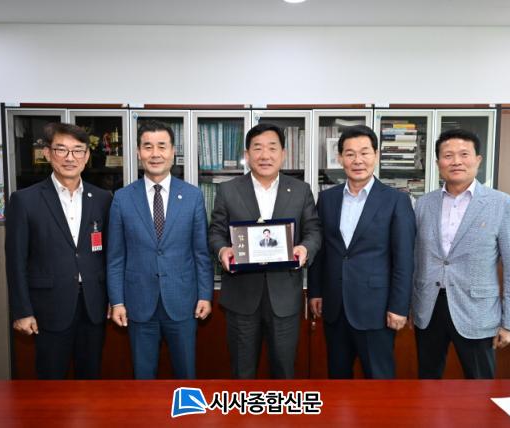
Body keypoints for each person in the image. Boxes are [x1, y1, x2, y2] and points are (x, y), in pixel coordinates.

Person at [209, 123, 321, 379]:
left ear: (283, 154)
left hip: (284, 298)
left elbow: (314, 231)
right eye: (257, 148)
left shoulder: (300, 190)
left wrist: (304, 248)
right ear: (247, 155)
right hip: (241, 297)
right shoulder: (228, 190)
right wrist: (223, 250)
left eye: (272, 148)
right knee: (242, 373)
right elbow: (215, 232)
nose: (265, 155)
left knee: (284, 371)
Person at [412, 128, 510, 379]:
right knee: (427, 382)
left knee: (480, 384)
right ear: (438, 163)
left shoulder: (502, 204)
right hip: (429, 308)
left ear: (478, 160)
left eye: (464, 154)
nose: (456, 161)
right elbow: (416, 258)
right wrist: (410, 305)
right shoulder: (423, 204)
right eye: (448, 155)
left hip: (477, 310)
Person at [5, 122, 112, 379]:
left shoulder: (103, 199)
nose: (70, 157)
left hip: (93, 306)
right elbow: (15, 262)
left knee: (91, 381)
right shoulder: (25, 200)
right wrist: (22, 311)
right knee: (50, 384)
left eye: (77, 150)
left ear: (87, 155)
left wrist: (113, 298)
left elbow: (110, 254)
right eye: (61, 149)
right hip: (48, 308)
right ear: (47, 153)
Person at [107, 120, 213, 379]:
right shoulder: (122, 198)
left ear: (173, 152)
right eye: (148, 146)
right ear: (138, 152)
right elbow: (116, 257)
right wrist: (117, 301)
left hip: (183, 301)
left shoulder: (192, 196)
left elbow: (201, 252)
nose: (155, 153)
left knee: (186, 375)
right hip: (139, 303)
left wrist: (205, 295)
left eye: (162, 146)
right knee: (143, 378)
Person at [308, 125, 415, 379]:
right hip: (335, 307)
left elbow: (404, 259)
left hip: (376, 310)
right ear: (340, 158)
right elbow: (321, 251)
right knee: (338, 378)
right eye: (350, 154)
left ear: (376, 155)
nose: (358, 160)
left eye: (365, 152)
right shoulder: (327, 199)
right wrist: (316, 292)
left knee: (379, 380)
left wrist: (399, 306)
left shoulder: (396, 200)